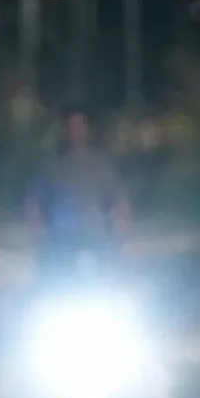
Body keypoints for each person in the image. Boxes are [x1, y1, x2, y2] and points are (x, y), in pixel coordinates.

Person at [27, 108, 131, 279]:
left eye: (80, 125)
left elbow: (120, 199)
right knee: (52, 282)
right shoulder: (53, 167)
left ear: (88, 129)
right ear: (66, 130)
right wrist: (38, 231)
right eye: (72, 126)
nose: (76, 130)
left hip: (97, 239)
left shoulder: (102, 166)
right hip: (62, 243)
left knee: (110, 282)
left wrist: (122, 228)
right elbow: (34, 201)